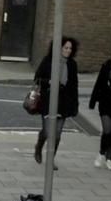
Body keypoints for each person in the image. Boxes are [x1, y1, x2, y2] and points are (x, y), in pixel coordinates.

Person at [33, 37, 80, 168]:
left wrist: (75, 103)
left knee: (57, 134)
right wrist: (48, 81)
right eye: (66, 48)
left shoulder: (72, 64)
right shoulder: (48, 61)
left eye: (70, 48)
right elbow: (37, 78)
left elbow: (74, 85)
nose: (68, 50)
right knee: (48, 132)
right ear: (59, 48)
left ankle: (50, 159)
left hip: (64, 102)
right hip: (48, 99)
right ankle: (39, 146)